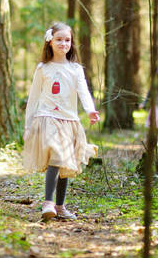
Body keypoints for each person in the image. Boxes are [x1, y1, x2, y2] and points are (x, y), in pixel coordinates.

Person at [22, 22, 100, 221]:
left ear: (71, 43)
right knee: (56, 154)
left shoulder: (75, 69)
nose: (63, 43)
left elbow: (83, 91)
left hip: (68, 120)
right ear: (50, 42)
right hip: (46, 118)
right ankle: (48, 202)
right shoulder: (43, 68)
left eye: (67, 40)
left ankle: (60, 206)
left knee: (64, 162)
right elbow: (33, 98)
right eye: (59, 40)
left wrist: (90, 110)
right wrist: (28, 125)